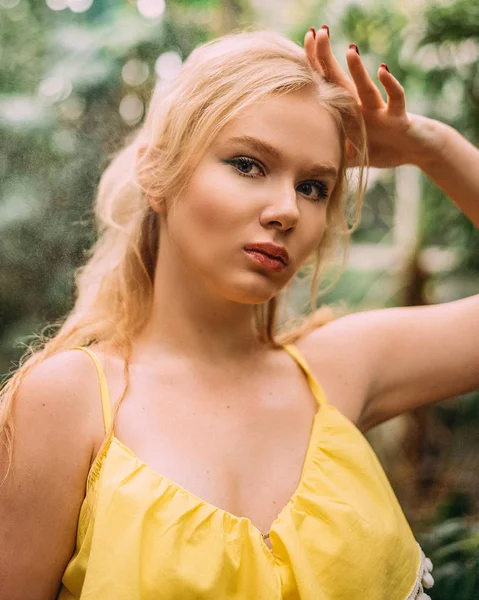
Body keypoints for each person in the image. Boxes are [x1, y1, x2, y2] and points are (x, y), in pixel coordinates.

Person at [1, 24, 478, 600]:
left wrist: (431, 146)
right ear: (156, 173)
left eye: (314, 187)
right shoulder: (68, 400)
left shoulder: (339, 371)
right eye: (249, 165)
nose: (286, 210)